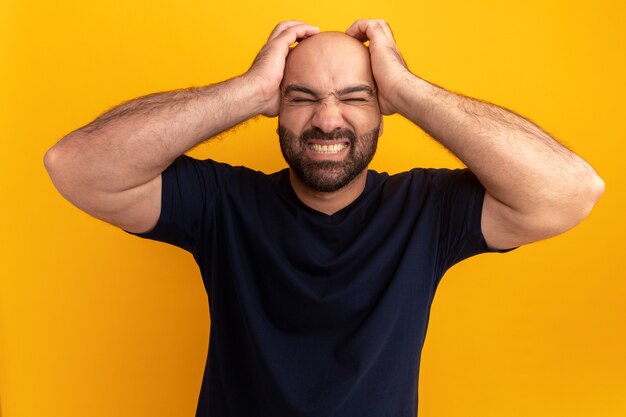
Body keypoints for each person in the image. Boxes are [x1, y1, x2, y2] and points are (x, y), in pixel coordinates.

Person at [44, 19, 604, 417]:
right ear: (275, 109)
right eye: (302, 97)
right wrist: (247, 89)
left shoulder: (428, 210)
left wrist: (408, 88)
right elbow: (74, 166)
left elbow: (571, 192)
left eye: (356, 98)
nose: (327, 119)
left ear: (384, 108)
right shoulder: (223, 203)